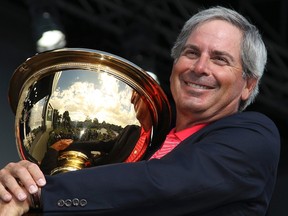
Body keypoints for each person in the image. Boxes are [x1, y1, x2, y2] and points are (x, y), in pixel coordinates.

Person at [0, 6, 280, 216]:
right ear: (174, 65)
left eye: (219, 59)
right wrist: (24, 182)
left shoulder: (254, 137)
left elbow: (166, 184)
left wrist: (42, 193)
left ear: (248, 84)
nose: (199, 68)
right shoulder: (132, 143)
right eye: (192, 53)